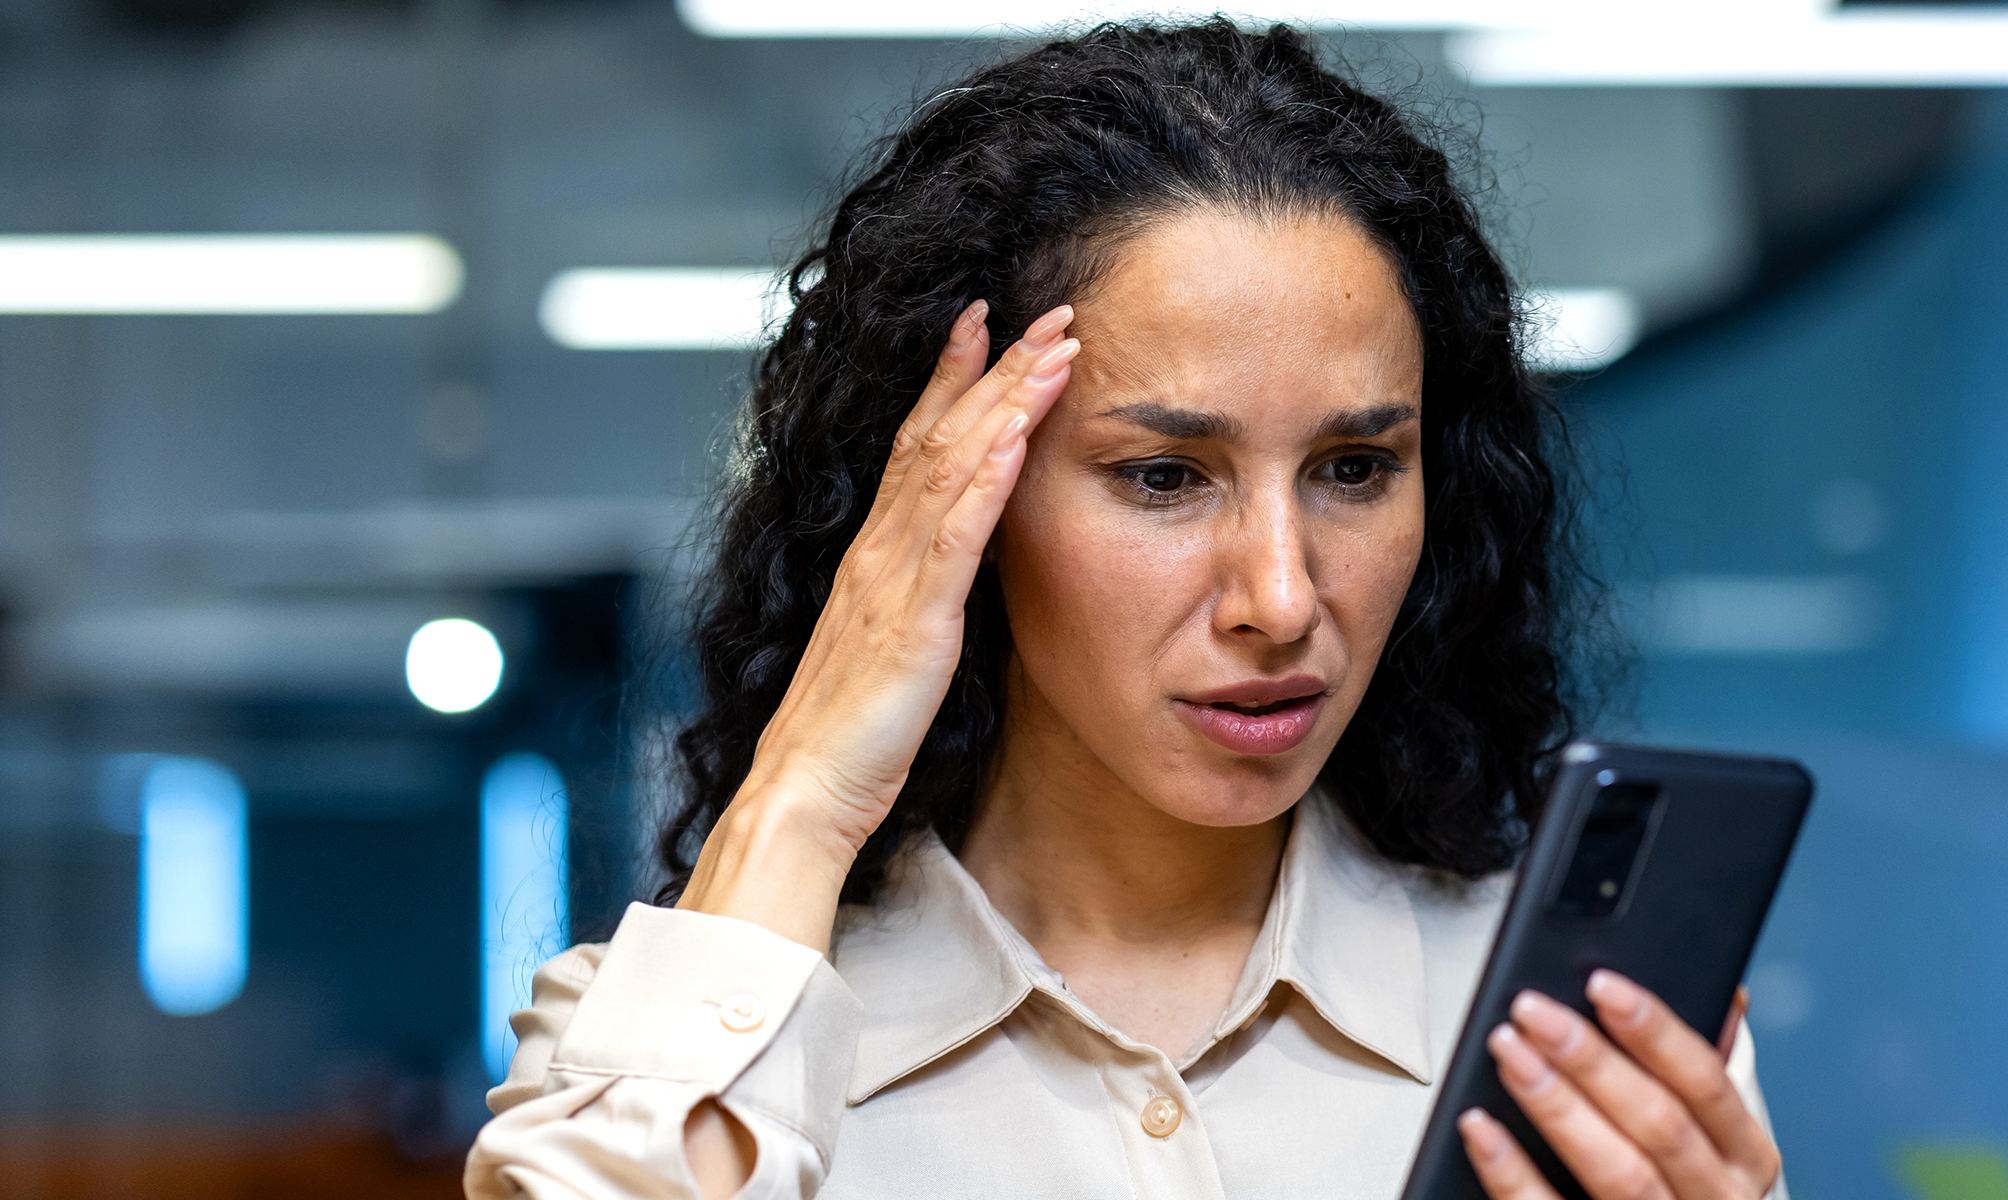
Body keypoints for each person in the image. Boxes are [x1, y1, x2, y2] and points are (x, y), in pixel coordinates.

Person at [465, 20, 1787, 1200]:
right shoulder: (669, 1044)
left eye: (1355, 469)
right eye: (1163, 476)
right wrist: (803, 783)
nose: (1281, 597)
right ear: (953, 504)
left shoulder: (1572, 1045)